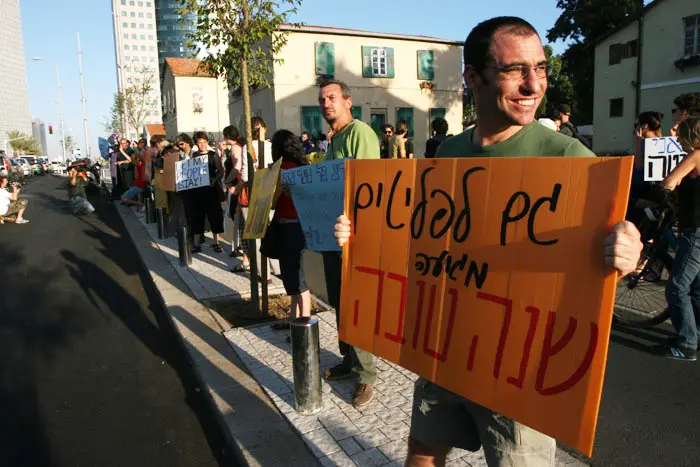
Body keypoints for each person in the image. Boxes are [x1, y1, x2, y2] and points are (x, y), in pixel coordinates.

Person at [334, 16, 643, 467]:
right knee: (421, 454)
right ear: (473, 78)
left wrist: (627, 250)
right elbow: (420, 240)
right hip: (446, 347)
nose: (534, 84)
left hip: (519, 372)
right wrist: (361, 234)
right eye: (515, 70)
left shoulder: (569, 158)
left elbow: (611, 248)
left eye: (540, 68)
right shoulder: (448, 153)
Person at [319, 78, 380, 408]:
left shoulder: (361, 134)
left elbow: (369, 188)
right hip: (333, 236)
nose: (326, 103)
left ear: (348, 101)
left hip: (355, 237)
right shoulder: (333, 139)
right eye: (322, 100)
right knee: (340, 303)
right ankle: (349, 359)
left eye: (332, 97)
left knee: (357, 305)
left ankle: (366, 375)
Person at [657, 116, 700, 360]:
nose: (678, 141)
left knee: (677, 287)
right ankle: (697, 334)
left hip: (694, 229)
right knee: (697, 286)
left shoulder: (695, 155)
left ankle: (686, 343)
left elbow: (669, 182)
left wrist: (664, 193)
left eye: (681, 136)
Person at [269, 130, 312, 329]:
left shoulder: (279, 170)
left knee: (294, 277)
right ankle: (296, 319)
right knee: (296, 276)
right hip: (300, 227)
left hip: (287, 226)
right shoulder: (302, 167)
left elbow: (272, 203)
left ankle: (302, 322)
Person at [191, 131, 225, 253]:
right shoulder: (194, 156)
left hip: (211, 190)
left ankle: (216, 242)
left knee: (215, 215)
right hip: (197, 191)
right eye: (200, 142)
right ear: (196, 144)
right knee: (197, 216)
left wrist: (214, 180)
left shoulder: (213, 155)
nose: (202, 144)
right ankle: (196, 243)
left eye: (204, 142)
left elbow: (220, 171)